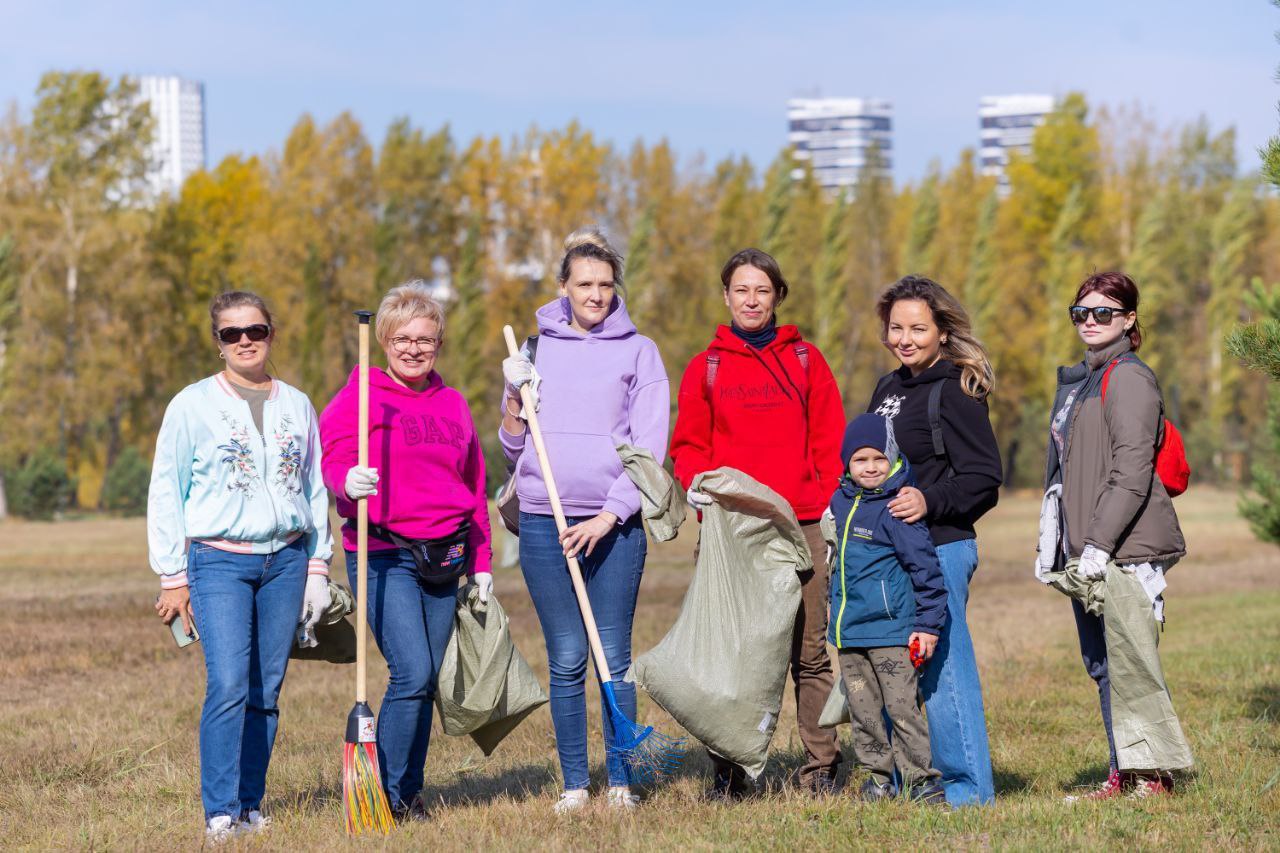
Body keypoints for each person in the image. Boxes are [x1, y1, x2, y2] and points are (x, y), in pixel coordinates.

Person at [149, 291, 333, 842]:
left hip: (288, 560)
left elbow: (314, 487)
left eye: (255, 329)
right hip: (218, 561)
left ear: (271, 333)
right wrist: (172, 574)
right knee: (229, 683)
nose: (245, 340)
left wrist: (318, 566)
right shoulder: (191, 405)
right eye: (232, 334)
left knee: (266, 689)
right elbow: (166, 489)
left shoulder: (298, 404)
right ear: (219, 342)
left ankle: (252, 805)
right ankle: (221, 812)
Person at [500, 228, 669, 814]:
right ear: (563, 287)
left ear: (615, 287)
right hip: (545, 519)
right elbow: (513, 449)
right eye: (584, 284)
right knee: (568, 654)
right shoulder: (532, 351)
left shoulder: (639, 351)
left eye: (604, 284)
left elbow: (649, 447)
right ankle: (575, 783)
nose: (595, 294)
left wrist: (609, 515)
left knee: (613, 654)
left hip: (613, 526)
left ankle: (622, 781)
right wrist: (513, 411)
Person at [669, 247, 846, 798]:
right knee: (734, 657)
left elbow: (831, 442)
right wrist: (708, 493)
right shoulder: (707, 367)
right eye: (741, 289)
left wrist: (823, 508)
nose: (751, 300)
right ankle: (732, 774)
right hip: (733, 532)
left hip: (804, 527)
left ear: (777, 297)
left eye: (762, 290)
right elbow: (689, 448)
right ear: (726, 296)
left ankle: (821, 769)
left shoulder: (806, 361)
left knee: (810, 654)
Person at [319, 281, 493, 821]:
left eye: (426, 339)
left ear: (439, 344)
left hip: (445, 558)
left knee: (426, 682)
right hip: (384, 552)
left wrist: (481, 564)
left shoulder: (453, 403)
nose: (414, 349)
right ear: (385, 340)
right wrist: (348, 480)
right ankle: (387, 795)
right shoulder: (361, 395)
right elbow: (330, 457)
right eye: (402, 339)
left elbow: (475, 486)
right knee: (412, 672)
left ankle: (409, 791)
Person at [1044, 271, 1193, 800]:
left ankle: (1150, 776)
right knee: (1105, 665)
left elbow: (1131, 470)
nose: (1089, 321)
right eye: (1080, 312)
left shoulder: (1128, 377)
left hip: (1123, 548)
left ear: (1129, 319)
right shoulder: (1086, 377)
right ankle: (1127, 772)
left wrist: (1099, 544)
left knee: (1129, 663)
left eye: (1103, 312)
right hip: (1089, 548)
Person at [865, 275, 1002, 807]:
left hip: (941, 546)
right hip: (888, 553)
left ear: (942, 331)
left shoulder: (957, 388)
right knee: (891, 669)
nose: (905, 338)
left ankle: (966, 791)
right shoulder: (886, 389)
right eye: (896, 328)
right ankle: (906, 780)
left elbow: (984, 478)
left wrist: (929, 501)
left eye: (918, 328)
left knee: (942, 667)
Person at [827, 413, 947, 805]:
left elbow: (926, 570)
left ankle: (921, 781)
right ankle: (878, 780)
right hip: (850, 634)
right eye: (861, 460)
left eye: (880, 458)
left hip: (891, 632)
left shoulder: (898, 508)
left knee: (902, 709)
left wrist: (928, 625)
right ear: (847, 463)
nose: (871, 467)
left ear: (893, 459)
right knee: (862, 713)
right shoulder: (840, 503)